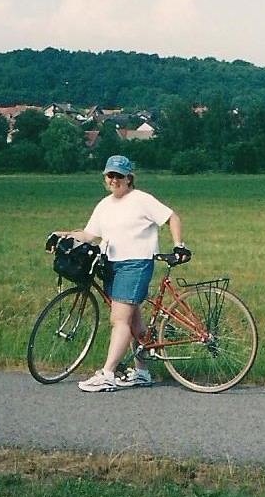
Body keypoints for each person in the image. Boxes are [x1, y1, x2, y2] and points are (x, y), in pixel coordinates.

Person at [55, 154, 185, 392]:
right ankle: (142, 372)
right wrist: (62, 235)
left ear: (129, 178)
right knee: (133, 321)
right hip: (111, 266)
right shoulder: (104, 205)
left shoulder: (141, 200)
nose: (114, 180)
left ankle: (108, 374)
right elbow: (88, 235)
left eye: (119, 176)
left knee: (120, 320)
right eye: (110, 175)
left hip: (135, 264)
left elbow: (172, 217)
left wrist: (179, 245)